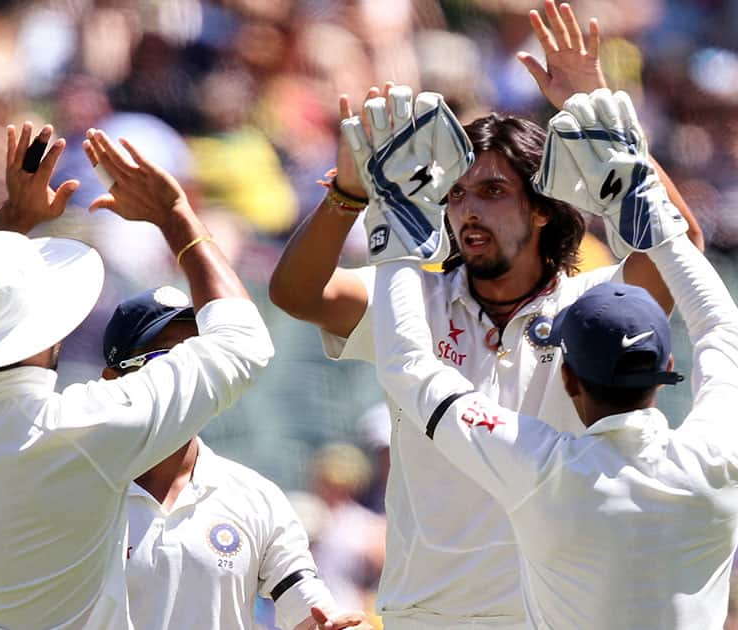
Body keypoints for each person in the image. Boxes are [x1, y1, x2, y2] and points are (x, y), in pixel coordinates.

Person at [270, 2, 703, 627]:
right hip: (425, 614)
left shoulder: (593, 307)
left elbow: (678, 246)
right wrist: (350, 193)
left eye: (493, 192)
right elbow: (296, 294)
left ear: (543, 209)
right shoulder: (412, 300)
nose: (467, 211)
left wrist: (597, 105)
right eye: (456, 194)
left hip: (552, 615)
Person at [366, 88, 738, 628]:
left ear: (569, 377)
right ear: (667, 373)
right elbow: (723, 330)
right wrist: (643, 195)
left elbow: (409, 366)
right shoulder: (717, 460)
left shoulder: (543, 468)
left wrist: (393, 218)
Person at [0, 121, 274, 628]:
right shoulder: (90, 427)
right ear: (49, 331)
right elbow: (244, 340)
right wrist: (175, 217)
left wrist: (13, 216)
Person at [99, 287, 371, 630]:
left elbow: (308, 608)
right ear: (113, 380)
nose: (188, 377)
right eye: (165, 361)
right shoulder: (74, 494)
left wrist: (332, 625)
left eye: (199, 357)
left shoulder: (256, 496)